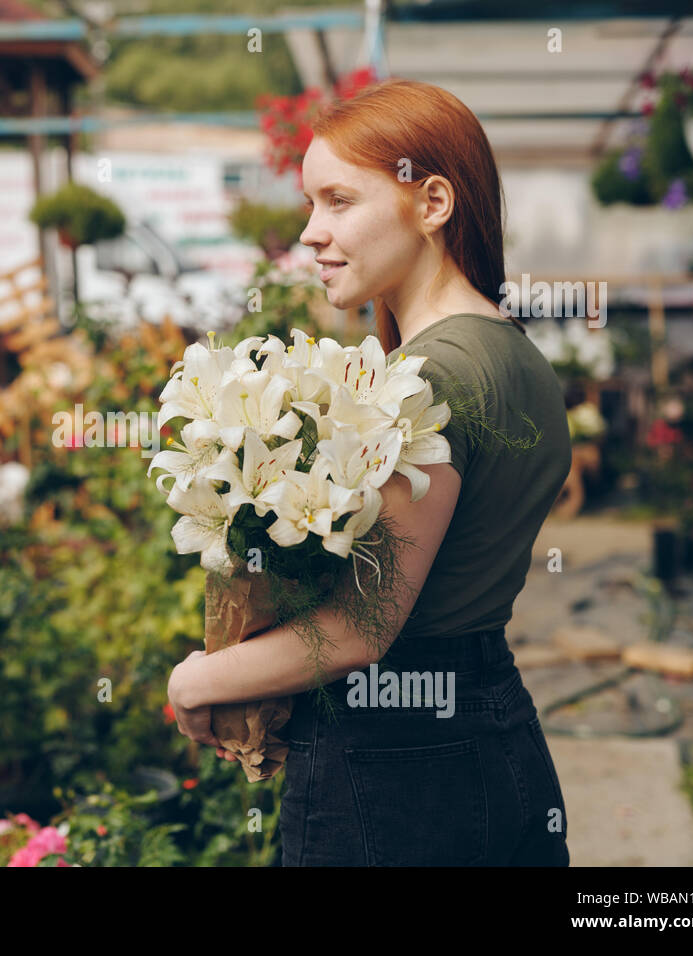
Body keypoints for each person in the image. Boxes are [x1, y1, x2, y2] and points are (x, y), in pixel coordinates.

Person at [166, 79, 573, 866]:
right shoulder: (518, 356)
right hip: (495, 734)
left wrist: (198, 679)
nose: (311, 235)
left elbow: (362, 627)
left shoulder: (427, 380)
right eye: (310, 207)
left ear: (434, 204)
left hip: (395, 768)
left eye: (339, 201)